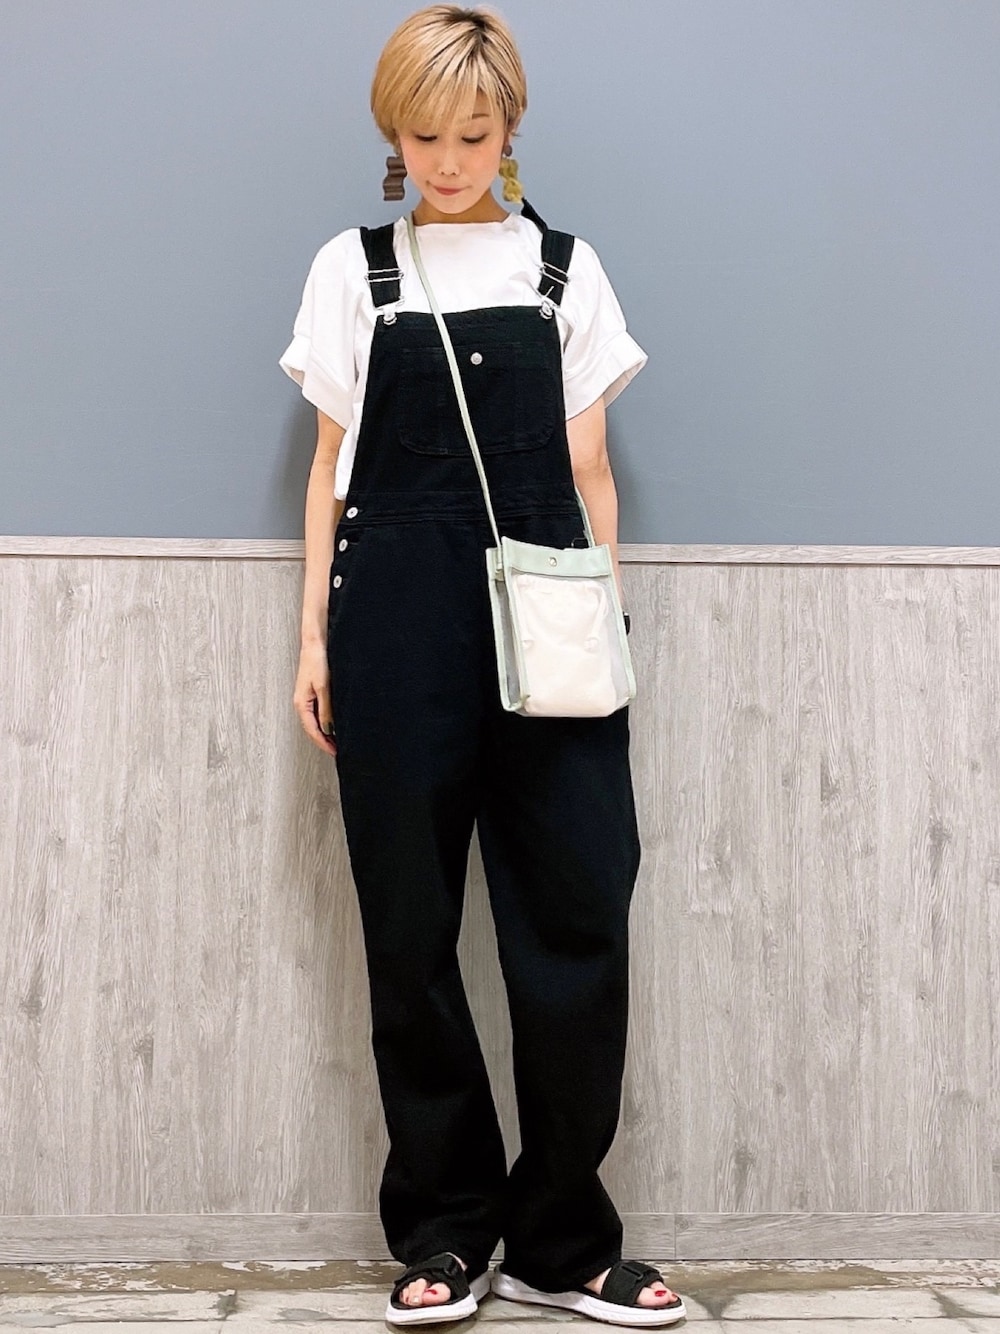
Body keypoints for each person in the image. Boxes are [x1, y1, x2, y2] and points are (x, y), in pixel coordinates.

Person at [280, 5, 685, 1327]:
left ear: (509, 130)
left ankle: (564, 1239)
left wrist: (604, 624)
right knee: (408, 933)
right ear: (392, 136)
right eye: (425, 137)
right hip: (393, 629)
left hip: (553, 629)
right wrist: (313, 638)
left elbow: (592, 473)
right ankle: (446, 1230)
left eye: (473, 134)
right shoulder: (354, 270)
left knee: (577, 920)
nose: (449, 162)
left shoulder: (565, 270)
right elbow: (329, 472)